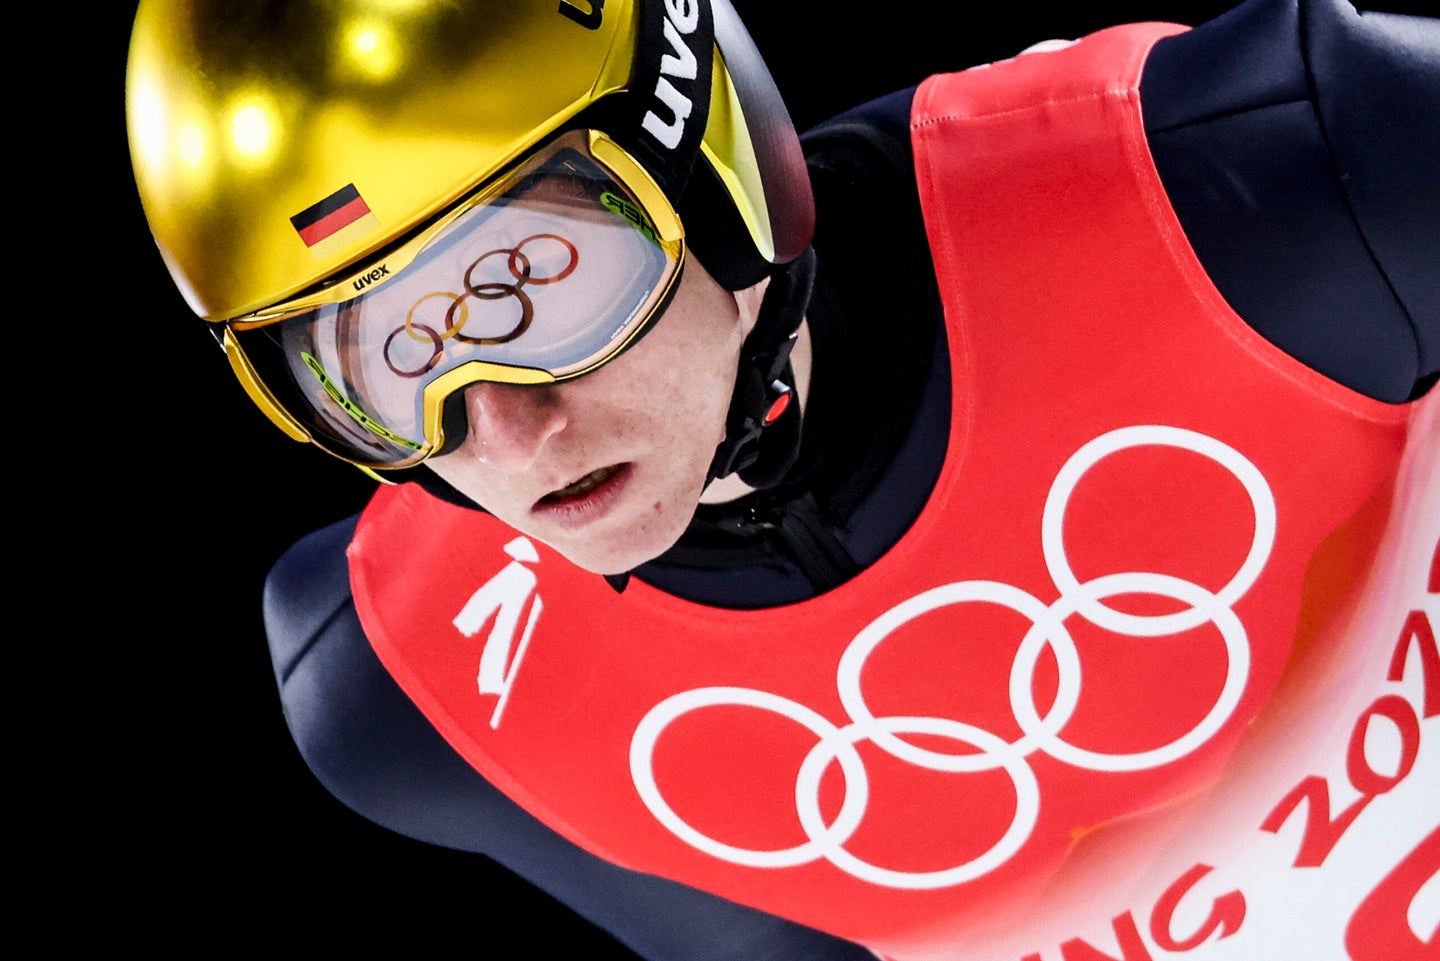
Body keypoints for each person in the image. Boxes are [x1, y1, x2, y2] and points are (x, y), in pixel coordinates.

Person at [126, 0, 1438, 957]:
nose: (506, 434)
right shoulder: (411, 694)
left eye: (531, 283)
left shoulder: (1286, 183)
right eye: (379, 358)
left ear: (708, 163)